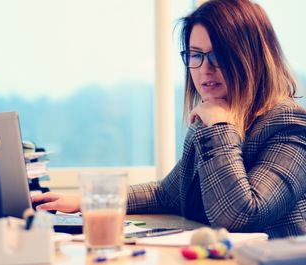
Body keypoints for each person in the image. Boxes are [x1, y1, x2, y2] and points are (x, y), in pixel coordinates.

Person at [32, 0, 306, 239]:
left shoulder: (290, 125)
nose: (204, 70)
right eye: (196, 55)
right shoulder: (213, 119)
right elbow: (167, 194)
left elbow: (240, 216)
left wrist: (220, 129)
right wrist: (86, 201)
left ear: (251, 58)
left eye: (218, 55)